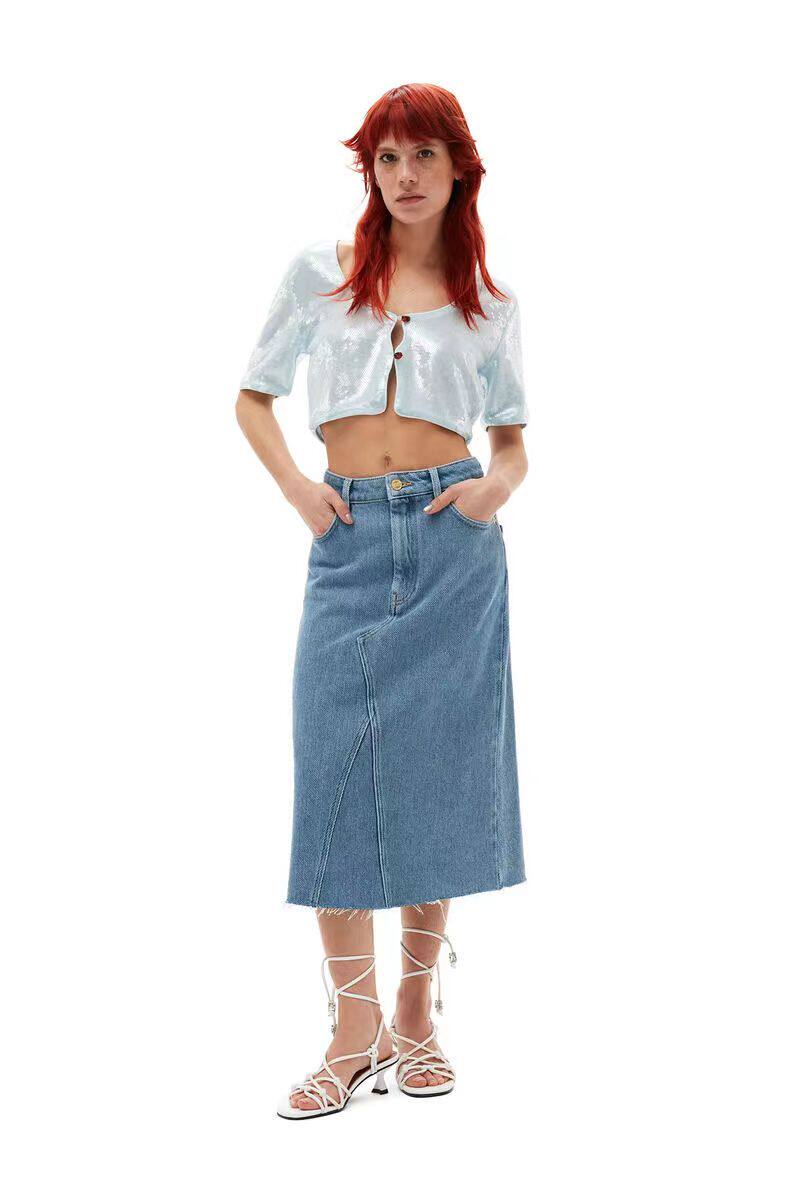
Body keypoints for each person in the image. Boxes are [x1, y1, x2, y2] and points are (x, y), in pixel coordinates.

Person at [235, 83, 529, 1120]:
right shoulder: (319, 275)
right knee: (334, 768)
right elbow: (253, 396)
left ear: (458, 169)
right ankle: (350, 1029)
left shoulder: (488, 300)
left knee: (433, 771)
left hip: (453, 543)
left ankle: (413, 1015)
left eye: (422, 157)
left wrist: (492, 491)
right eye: (387, 159)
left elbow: (512, 441)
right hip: (348, 537)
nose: (404, 177)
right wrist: (298, 491)